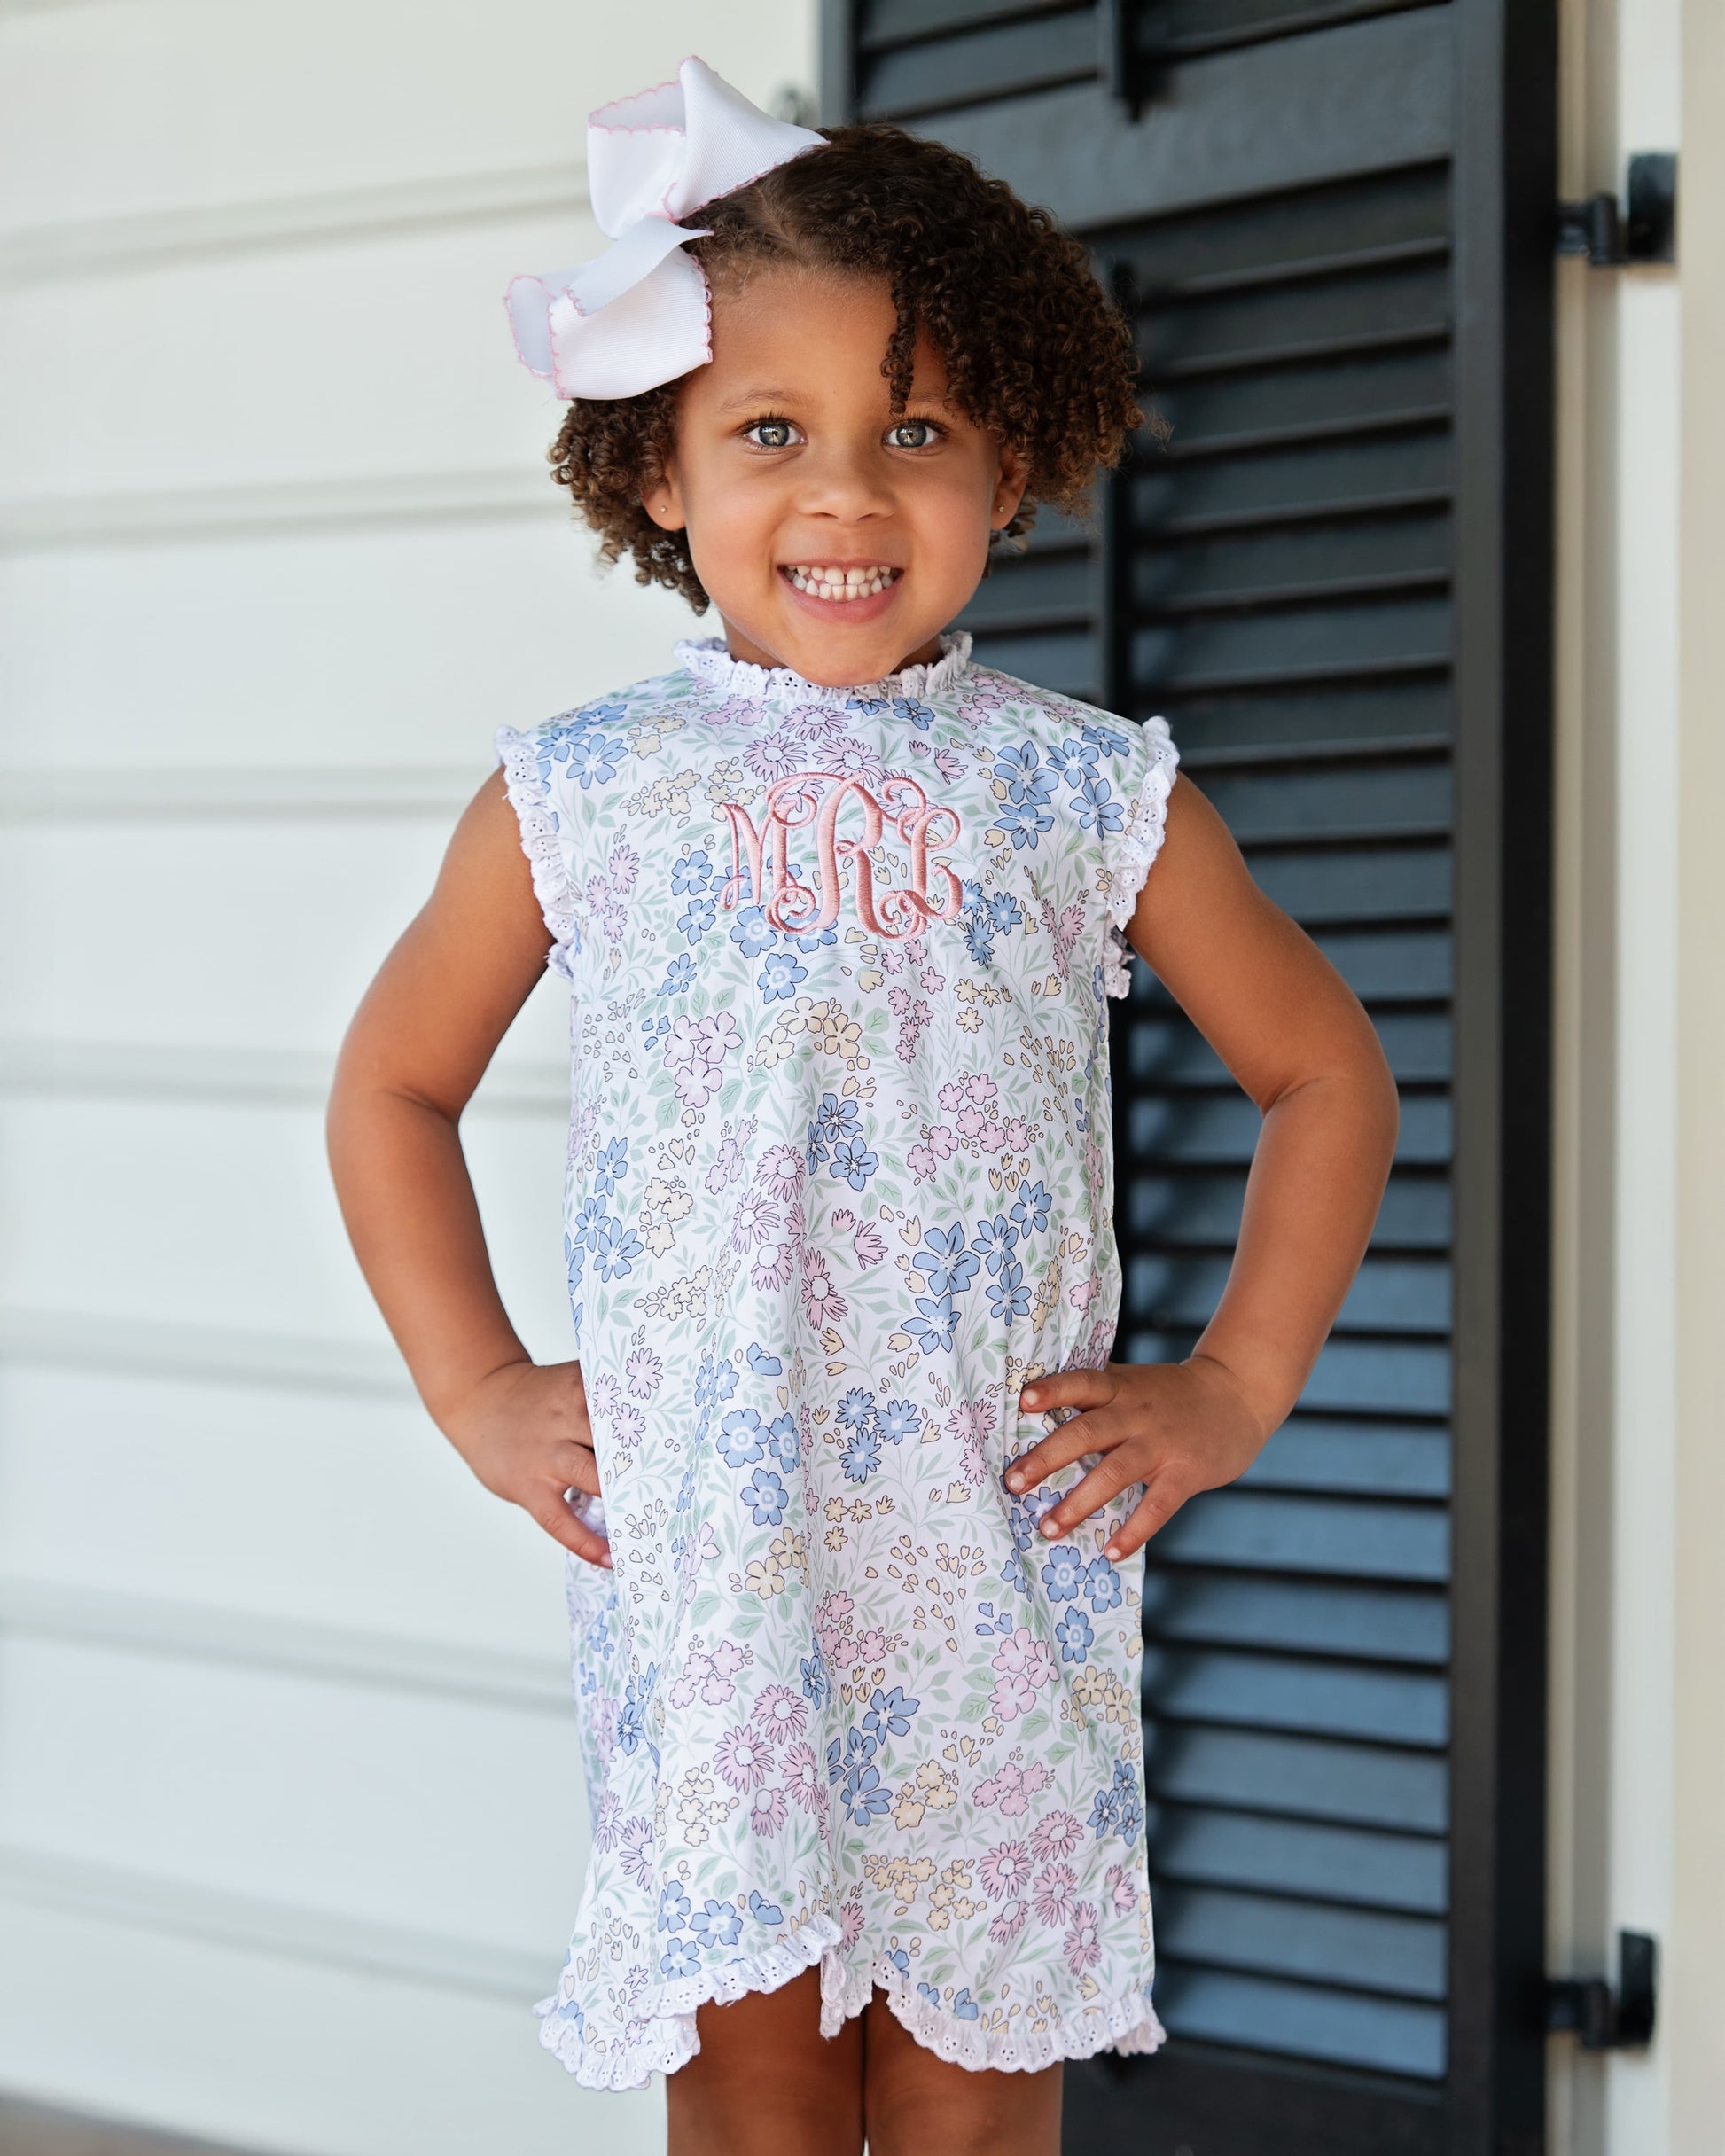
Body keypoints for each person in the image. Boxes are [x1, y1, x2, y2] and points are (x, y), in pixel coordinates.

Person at [326, 58, 1398, 2156]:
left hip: (993, 1548)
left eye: (915, 431)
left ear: (1014, 455)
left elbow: (1320, 1069)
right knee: (750, 2068)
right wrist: (475, 1385)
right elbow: (392, 1081)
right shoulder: (591, 788)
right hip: (716, 1543)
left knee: (978, 2071)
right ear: (659, 471)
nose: (843, 496)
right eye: (769, 434)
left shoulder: (1084, 788)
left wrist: (1236, 1384)